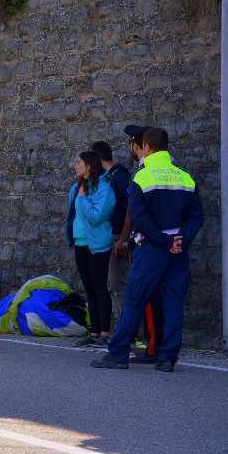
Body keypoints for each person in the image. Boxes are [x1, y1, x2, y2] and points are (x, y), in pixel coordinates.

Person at [92, 128, 204, 372]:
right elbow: (197, 216)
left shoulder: (141, 177)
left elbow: (139, 217)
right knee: (173, 303)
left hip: (152, 249)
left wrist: (163, 241)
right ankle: (168, 358)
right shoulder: (185, 176)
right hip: (178, 250)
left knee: (134, 300)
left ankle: (118, 354)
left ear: (147, 147)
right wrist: (180, 239)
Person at [116, 125, 164, 364]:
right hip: (162, 241)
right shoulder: (167, 170)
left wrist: (123, 240)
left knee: (145, 297)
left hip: (145, 242)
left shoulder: (143, 172)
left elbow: (132, 213)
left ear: (138, 145)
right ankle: (154, 345)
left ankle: (150, 346)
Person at [66, 151, 116, 348]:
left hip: (97, 245)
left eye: (78, 162)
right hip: (80, 243)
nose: (74, 165)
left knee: (100, 288)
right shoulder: (78, 187)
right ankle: (94, 332)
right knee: (88, 289)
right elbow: (72, 216)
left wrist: (82, 199)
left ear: (89, 166)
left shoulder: (104, 189)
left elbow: (96, 217)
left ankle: (105, 332)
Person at [90, 141, 131, 320]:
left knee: (118, 284)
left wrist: (122, 239)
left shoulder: (119, 177)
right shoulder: (109, 178)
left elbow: (128, 209)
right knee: (111, 284)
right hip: (108, 236)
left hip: (117, 236)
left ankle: (129, 331)